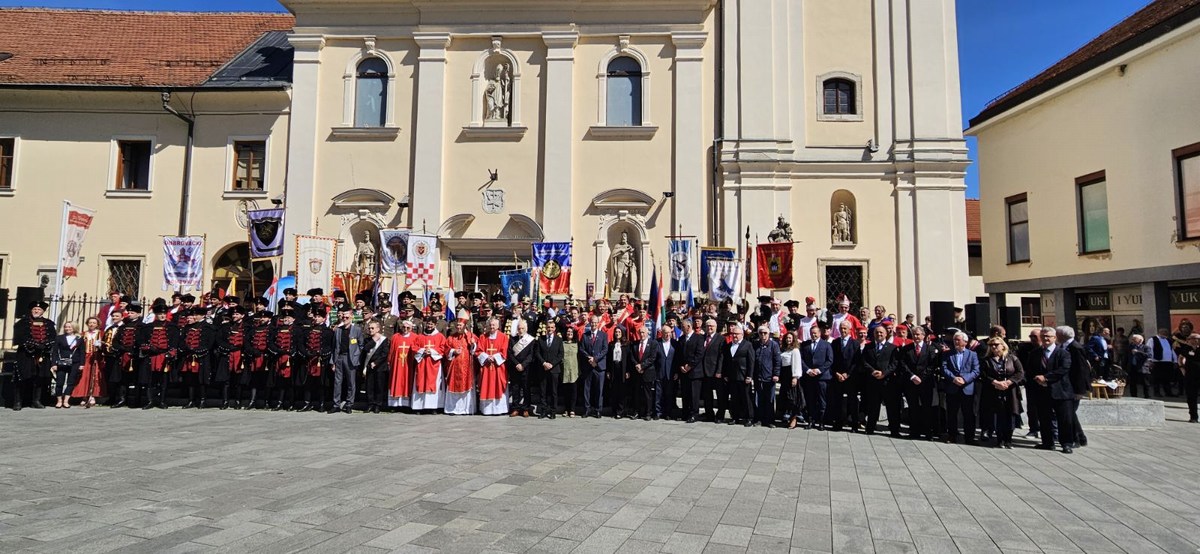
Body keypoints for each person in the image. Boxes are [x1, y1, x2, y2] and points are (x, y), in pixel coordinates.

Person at [1032, 327, 1076, 453]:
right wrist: (1037, 379)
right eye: (1043, 336)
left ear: (1054, 338)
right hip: (1042, 391)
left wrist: (1046, 378)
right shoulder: (1036, 353)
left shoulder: (1063, 353)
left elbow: (1064, 369)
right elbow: (1030, 369)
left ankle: (1066, 443)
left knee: (1064, 419)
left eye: (1049, 336)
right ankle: (1047, 442)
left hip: (1061, 391)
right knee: (1044, 417)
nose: (1046, 338)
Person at [980, 337, 1024, 449]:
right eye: (991, 345)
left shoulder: (1012, 358)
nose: (994, 347)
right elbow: (983, 375)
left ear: (1003, 345)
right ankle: (999, 440)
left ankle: (1008, 440)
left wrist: (1009, 382)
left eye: (996, 344)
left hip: (1010, 391)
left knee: (1010, 415)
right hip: (993, 391)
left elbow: (1020, 373)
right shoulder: (986, 360)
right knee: (998, 416)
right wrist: (995, 382)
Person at [13, 300, 57, 410]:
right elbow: (20, 337)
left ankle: (36, 401)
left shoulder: (49, 323)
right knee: (21, 377)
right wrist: (34, 344)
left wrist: (46, 344)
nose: (36, 310)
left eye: (39, 309)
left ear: (43, 311)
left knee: (39, 378)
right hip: (26, 354)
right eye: (34, 309)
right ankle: (18, 402)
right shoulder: (22, 323)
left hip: (43, 354)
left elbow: (53, 337)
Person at [941, 331, 980, 445]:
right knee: (952, 413)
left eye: (958, 340)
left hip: (967, 388)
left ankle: (969, 437)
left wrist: (964, 379)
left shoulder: (972, 354)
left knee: (968, 414)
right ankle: (952, 435)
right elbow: (944, 368)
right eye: (955, 340)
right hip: (952, 387)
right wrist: (953, 378)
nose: (956, 342)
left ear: (965, 341)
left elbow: (976, 370)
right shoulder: (948, 354)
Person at [900, 326, 939, 440]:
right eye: (914, 334)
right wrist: (912, 376)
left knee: (927, 408)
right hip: (911, 382)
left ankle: (928, 432)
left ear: (923, 335)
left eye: (918, 334)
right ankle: (914, 432)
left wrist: (921, 377)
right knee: (913, 408)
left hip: (925, 383)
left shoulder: (930, 349)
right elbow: (903, 364)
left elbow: (932, 365)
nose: (916, 337)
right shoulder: (906, 349)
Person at [859, 325, 898, 435]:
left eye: (881, 332)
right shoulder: (868, 347)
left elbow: (894, 363)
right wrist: (872, 371)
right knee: (873, 406)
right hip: (872, 381)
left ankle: (894, 430)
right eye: (877, 332)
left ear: (886, 334)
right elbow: (864, 362)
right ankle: (870, 428)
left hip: (887, 382)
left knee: (891, 406)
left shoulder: (892, 348)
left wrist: (884, 373)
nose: (879, 334)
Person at [138, 304, 178, 410]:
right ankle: (150, 401)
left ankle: (162, 401)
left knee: (164, 380)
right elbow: (141, 341)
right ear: (156, 314)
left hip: (164, 356)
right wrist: (148, 347)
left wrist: (171, 353)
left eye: (164, 313)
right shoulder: (148, 327)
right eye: (160, 314)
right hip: (151, 356)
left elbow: (174, 342)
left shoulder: (172, 327)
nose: (162, 316)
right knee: (150, 379)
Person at [297, 306, 334, 412]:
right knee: (308, 382)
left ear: (324, 318)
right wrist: (306, 353)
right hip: (309, 360)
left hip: (321, 360)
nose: (316, 318)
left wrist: (321, 353)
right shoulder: (307, 331)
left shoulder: (328, 332)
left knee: (321, 383)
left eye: (319, 317)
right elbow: (302, 344)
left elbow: (330, 346)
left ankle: (321, 403)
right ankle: (307, 403)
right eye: (315, 316)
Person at [1057, 326, 1089, 448]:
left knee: (1070, 413)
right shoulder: (1064, 346)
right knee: (1070, 413)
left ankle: (1077, 438)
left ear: (1062, 335)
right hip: (1066, 386)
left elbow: (1081, 370)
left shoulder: (1075, 348)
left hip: (1074, 387)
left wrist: (1079, 390)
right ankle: (1080, 437)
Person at [178, 308, 216, 409]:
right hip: (189, 355)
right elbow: (182, 340)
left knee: (201, 379)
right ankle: (191, 400)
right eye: (194, 315)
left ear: (203, 316)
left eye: (196, 315)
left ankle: (202, 400)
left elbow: (209, 343)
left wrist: (198, 350)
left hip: (201, 357)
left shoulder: (208, 327)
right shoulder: (188, 327)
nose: (194, 317)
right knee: (190, 378)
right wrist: (186, 348)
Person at [718, 323, 756, 427]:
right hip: (732, 376)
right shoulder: (729, 345)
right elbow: (726, 361)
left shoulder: (747, 345)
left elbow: (751, 361)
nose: (735, 336)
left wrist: (750, 375)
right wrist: (725, 374)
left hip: (744, 377)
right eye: (733, 334)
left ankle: (749, 418)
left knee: (746, 398)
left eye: (737, 334)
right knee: (734, 399)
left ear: (742, 334)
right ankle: (735, 417)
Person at [107, 305, 142, 408]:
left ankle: (136, 400)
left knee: (135, 379)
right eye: (129, 313)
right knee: (122, 379)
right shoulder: (123, 326)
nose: (130, 314)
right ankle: (122, 399)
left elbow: (141, 340)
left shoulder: (141, 326)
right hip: (123, 354)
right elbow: (116, 341)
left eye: (132, 313)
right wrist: (120, 348)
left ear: (138, 314)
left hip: (134, 356)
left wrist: (133, 351)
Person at [829, 320, 862, 431]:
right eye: (841, 328)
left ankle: (854, 424)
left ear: (849, 330)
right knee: (837, 400)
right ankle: (838, 423)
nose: (843, 330)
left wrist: (847, 374)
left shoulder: (855, 343)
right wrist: (837, 373)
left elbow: (856, 362)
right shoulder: (835, 342)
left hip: (850, 377)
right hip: (837, 377)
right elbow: (832, 360)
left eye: (845, 328)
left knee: (852, 401)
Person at [475, 318, 511, 415]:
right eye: (490, 325)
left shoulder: (503, 337)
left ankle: (499, 409)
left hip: (498, 367)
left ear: (498, 326)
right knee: (486, 385)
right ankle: (486, 410)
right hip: (486, 366)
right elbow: (478, 350)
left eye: (494, 325)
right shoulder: (483, 337)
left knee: (498, 385)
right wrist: (487, 357)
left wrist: (494, 357)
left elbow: (505, 351)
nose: (492, 327)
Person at [800, 328, 834, 431]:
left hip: (822, 377)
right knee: (810, 399)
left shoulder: (826, 345)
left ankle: (821, 422)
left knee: (822, 400)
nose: (813, 335)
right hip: (809, 377)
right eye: (812, 333)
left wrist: (819, 370)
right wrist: (808, 370)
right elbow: (801, 359)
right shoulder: (805, 345)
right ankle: (811, 421)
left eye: (815, 333)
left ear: (819, 333)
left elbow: (829, 360)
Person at [412, 316, 447, 412]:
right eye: (428, 324)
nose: (429, 326)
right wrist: (423, 350)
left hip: (433, 363)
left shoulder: (440, 337)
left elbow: (443, 348)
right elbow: (414, 347)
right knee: (420, 381)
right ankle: (418, 407)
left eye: (431, 324)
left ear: (435, 325)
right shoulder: (420, 336)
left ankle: (433, 407)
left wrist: (431, 351)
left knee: (434, 382)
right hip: (422, 363)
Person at [214, 306, 247, 410]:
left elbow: (249, 340)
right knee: (226, 380)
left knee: (238, 380)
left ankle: (238, 401)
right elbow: (219, 339)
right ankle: (225, 401)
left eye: (237, 314)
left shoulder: (247, 327)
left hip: (240, 355)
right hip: (227, 354)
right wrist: (228, 347)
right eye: (233, 314)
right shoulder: (225, 326)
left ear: (242, 315)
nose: (234, 316)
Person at [331, 309, 362, 413]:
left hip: (350, 358)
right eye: (343, 317)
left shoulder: (357, 329)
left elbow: (361, 344)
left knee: (351, 382)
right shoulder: (338, 330)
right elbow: (334, 346)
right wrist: (333, 361)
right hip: (339, 357)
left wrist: (356, 356)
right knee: (337, 382)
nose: (344, 318)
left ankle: (349, 404)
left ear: (351, 317)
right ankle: (336, 404)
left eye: (347, 317)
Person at [444, 317, 477, 415]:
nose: (458, 327)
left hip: (466, 367)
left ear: (465, 326)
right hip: (454, 367)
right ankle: (453, 409)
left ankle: (465, 409)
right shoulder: (451, 337)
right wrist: (453, 351)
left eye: (460, 325)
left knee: (466, 387)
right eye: (457, 325)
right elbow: (446, 349)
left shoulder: (470, 336)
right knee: (454, 386)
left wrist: (473, 344)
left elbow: (474, 350)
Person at [71, 317, 106, 408]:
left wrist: (101, 345)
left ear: (97, 324)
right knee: (84, 376)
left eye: (94, 323)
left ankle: (92, 395)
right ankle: (84, 396)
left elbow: (106, 345)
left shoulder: (101, 333)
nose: (92, 324)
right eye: (90, 322)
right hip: (86, 357)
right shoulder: (83, 334)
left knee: (95, 375)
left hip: (96, 357)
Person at [750, 325, 781, 427]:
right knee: (758, 399)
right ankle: (758, 419)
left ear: (769, 334)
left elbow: (777, 361)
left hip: (769, 377)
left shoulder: (774, 345)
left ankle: (770, 420)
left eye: (765, 333)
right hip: (758, 376)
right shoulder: (755, 344)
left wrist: (776, 374)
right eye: (761, 333)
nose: (763, 335)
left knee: (769, 399)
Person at [580, 315, 609, 418]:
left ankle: (598, 410)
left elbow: (605, 350)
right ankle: (587, 409)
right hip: (588, 366)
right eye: (592, 322)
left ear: (598, 323)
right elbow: (581, 349)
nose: (594, 324)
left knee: (599, 390)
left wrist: (595, 359)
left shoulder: (603, 335)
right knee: (586, 389)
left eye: (596, 322)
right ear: (589, 322)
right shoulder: (585, 335)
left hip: (599, 366)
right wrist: (589, 358)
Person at [243, 310, 273, 410]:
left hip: (267, 358)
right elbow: (247, 342)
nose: (262, 319)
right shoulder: (254, 329)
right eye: (261, 317)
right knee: (254, 379)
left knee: (267, 380)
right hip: (255, 357)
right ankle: (252, 400)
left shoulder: (273, 329)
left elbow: (273, 342)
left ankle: (266, 401)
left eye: (264, 317)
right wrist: (252, 351)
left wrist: (267, 352)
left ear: (269, 319)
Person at [628, 324, 659, 420]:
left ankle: (648, 413)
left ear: (647, 333)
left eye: (643, 332)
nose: (641, 334)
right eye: (640, 332)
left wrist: (642, 366)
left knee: (647, 394)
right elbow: (632, 356)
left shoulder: (653, 343)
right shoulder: (635, 344)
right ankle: (636, 412)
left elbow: (652, 357)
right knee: (636, 393)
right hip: (637, 372)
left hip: (647, 372)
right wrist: (637, 365)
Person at [699, 318, 728, 423]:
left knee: (720, 395)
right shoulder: (702, 338)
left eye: (711, 326)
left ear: (716, 327)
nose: (709, 328)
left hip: (716, 372)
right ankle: (709, 415)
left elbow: (721, 356)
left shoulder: (720, 339)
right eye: (707, 326)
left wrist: (719, 371)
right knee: (707, 396)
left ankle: (720, 415)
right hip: (705, 372)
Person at [52, 321, 84, 409]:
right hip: (62, 362)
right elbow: (54, 352)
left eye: (70, 327)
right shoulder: (59, 338)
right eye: (66, 327)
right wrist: (54, 363)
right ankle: (59, 401)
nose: (67, 329)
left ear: (74, 327)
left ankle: (66, 401)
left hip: (75, 362)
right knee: (59, 382)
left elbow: (82, 352)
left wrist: (82, 364)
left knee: (71, 382)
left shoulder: (79, 338)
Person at [387, 319, 418, 409]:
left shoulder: (415, 337)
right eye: (404, 327)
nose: (405, 329)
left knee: (407, 382)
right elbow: (391, 350)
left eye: (408, 328)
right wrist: (389, 361)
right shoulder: (395, 336)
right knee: (396, 381)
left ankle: (406, 404)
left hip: (409, 365)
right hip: (397, 364)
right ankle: (395, 404)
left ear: (411, 328)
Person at [507, 320, 536, 417]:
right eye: (519, 328)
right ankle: (515, 408)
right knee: (515, 388)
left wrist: (523, 365)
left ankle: (525, 408)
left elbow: (531, 355)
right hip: (515, 367)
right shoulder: (512, 339)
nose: (520, 330)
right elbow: (510, 353)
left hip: (526, 368)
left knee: (526, 388)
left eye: (522, 328)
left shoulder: (531, 340)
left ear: (526, 329)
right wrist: (517, 364)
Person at [536, 323, 564, 419]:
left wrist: (551, 364)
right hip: (542, 368)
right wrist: (544, 363)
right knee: (543, 391)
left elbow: (560, 355)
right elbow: (537, 353)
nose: (550, 329)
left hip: (554, 369)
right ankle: (543, 410)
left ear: (555, 328)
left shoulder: (559, 340)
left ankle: (553, 411)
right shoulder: (541, 339)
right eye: (548, 327)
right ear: (546, 328)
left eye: (552, 327)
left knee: (553, 391)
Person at [362, 320, 391, 414]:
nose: (370, 330)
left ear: (378, 329)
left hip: (380, 366)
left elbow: (385, 353)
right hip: (369, 366)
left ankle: (378, 405)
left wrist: (376, 362)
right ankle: (370, 404)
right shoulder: (367, 339)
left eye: (372, 328)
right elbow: (365, 349)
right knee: (369, 386)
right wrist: (374, 340)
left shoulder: (384, 339)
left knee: (379, 386)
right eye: (369, 328)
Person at [653, 320, 679, 421]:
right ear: (662, 333)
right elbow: (654, 358)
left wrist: (676, 372)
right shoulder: (656, 343)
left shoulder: (675, 344)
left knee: (669, 394)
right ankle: (658, 412)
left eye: (669, 333)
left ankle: (668, 413)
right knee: (658, 394)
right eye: (665, 333)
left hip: (671, 373)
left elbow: (677, 359)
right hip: (659, 372)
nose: (667, 334)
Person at [778, 332, 802, 428]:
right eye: (787, 338)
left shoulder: (795, 350)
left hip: (791, 375)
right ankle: (787, 417)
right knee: (786, 398)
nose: (788, 339)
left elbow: (796, 364)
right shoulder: (783, 350)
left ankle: (794, 419)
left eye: (790, 338)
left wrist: (795, 377)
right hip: (784, 376)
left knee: (793, 398)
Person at [1149, 328, 1178, 397]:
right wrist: (1150, 360)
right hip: (1157, 361)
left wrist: (1175, 360)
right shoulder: (1153, 339)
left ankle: (1168, 392)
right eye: (1163, 332)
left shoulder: (1168, 340)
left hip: (1168, 362)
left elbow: (1171, 350)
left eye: (1166, 333)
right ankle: (1157, 392)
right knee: (1157, 378)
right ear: (1159, 332)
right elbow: (1150, 349)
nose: (1165, 334)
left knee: (1167, 378)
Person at [560, 326, 581, 417]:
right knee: (565, 391)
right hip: (564, 370)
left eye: (571, 332)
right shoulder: (561, 343)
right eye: (568, 332)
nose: (569, 334)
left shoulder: (577, 344)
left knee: (573, 391)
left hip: (574, 370)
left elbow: (579, 357)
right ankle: (566, 409)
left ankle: (572, 409)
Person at [1179, 334, 1200, 423]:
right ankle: (1193, 416)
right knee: (1191, 396)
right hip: (1190, 376)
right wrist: (1182, 368)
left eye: (1196, 339)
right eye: (1191, 338)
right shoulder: (1185, 348)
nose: (1194, 340)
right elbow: (1181, 358)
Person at [1125, 334, 1151, 399]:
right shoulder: (1130, 347)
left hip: (1142, 367)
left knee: (1145, 383)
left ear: (1140, 340)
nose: (1132, 340)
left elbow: (1148, 355)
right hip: (1132, 366)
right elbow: (1126, 357)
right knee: (1132, 382)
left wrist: (1138, 352)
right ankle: (1133, 396)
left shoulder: (1146, 347)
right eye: (1132, 339)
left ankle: (1147, 395)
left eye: (1134, 339)